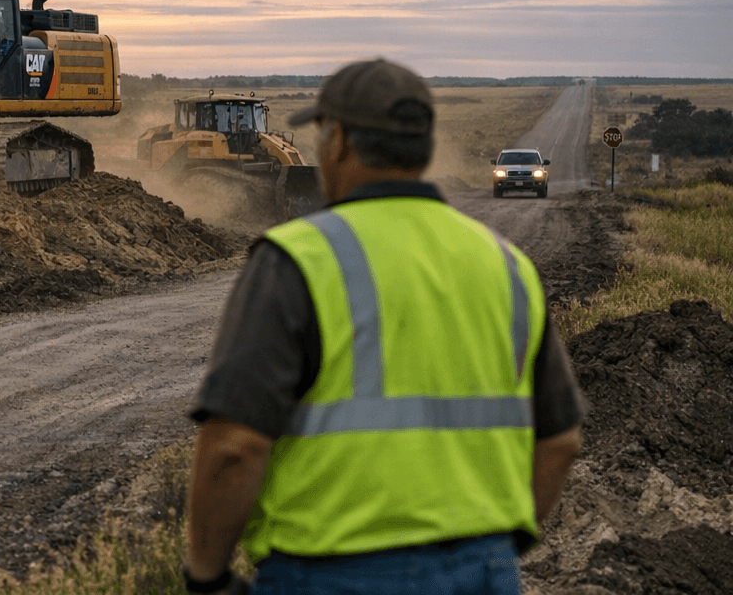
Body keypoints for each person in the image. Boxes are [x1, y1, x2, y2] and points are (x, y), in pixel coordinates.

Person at [182, 58, 585, 595]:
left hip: (330, 574)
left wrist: (206, 576)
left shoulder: (297, 260)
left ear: (340, 141)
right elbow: (560, 442)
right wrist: (492, 552)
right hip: (482, 569)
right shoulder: (506, 264)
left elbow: (235, 447)